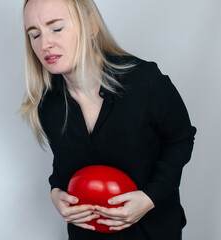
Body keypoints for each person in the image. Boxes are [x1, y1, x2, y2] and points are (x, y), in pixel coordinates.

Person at [20, 0, 196, 239]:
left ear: (92, 25)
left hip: (153, 232)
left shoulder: (145, 82)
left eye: (57, 28)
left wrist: (150, 197)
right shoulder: (47, 105)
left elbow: (181, 139)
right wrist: (56, 193)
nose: (45, 44)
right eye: (34, 34)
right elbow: (63, 166)